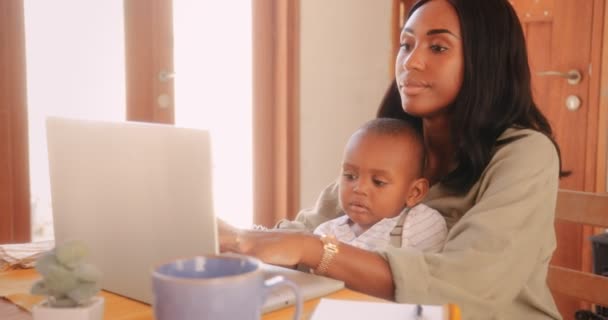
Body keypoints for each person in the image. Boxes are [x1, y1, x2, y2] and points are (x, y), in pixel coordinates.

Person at [219, 0, 565, 318]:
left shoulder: (525, 153)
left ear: (486, 59)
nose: (411, 61)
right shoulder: (397, 144)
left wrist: (313, 250)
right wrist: (235, 237)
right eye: (406, 44)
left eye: (438, 47)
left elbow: (468, 288)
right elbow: (313, 227)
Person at [313, 118, 447, 253]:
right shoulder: (325, 232)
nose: (359, 188)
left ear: (414, 192)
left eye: (378, 182)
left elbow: (425, 271)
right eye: (350, 176)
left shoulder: (421, 223)